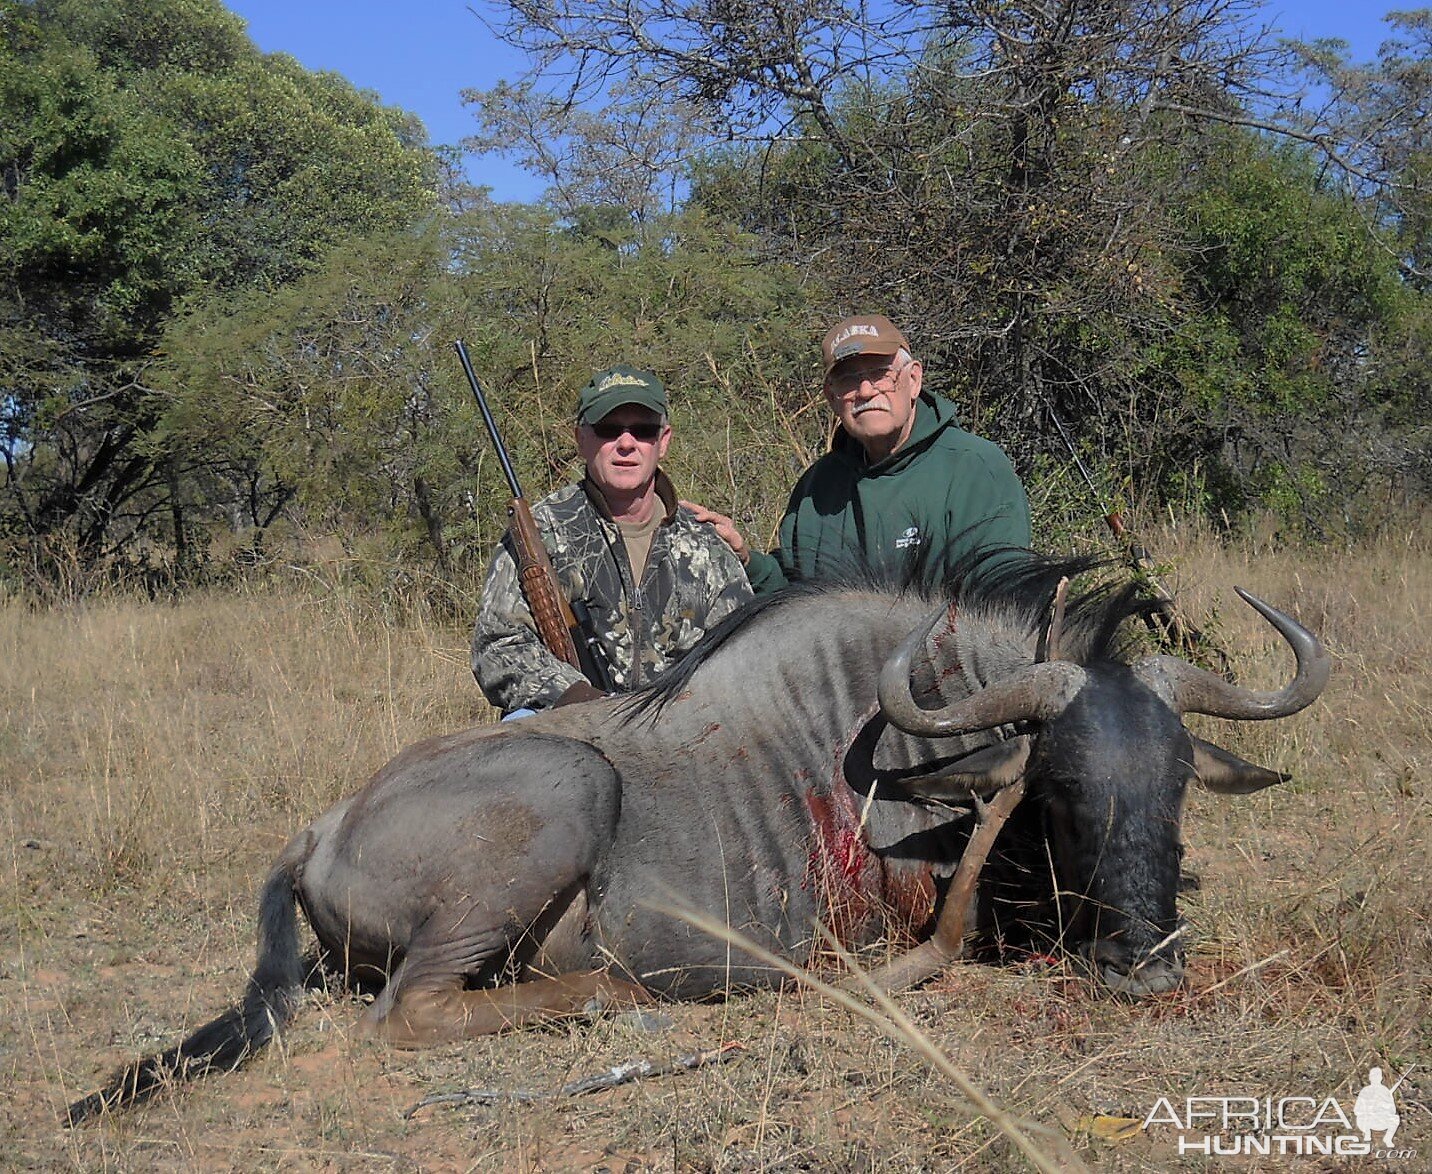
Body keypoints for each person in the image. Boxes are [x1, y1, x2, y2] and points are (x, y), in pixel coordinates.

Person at [472, 365, 753, 716]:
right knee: (520, 726)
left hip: (680, 727)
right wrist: (578, 699)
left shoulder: (705, 543)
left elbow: (744, 655)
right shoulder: (542, 532)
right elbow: (498, 647)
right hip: (569, 721)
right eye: (608, 430)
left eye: (643, 430)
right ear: (581, 440)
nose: (625, 444)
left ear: (663, 441)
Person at [687, 313, 1030, 592]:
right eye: (848, 380)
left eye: (880, 374)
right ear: (832, 397)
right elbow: (793, 596)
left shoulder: (975, 468)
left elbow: (1000, 603)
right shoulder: (816, 487)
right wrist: (746, 560)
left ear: (914, 380)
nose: (865, 391)